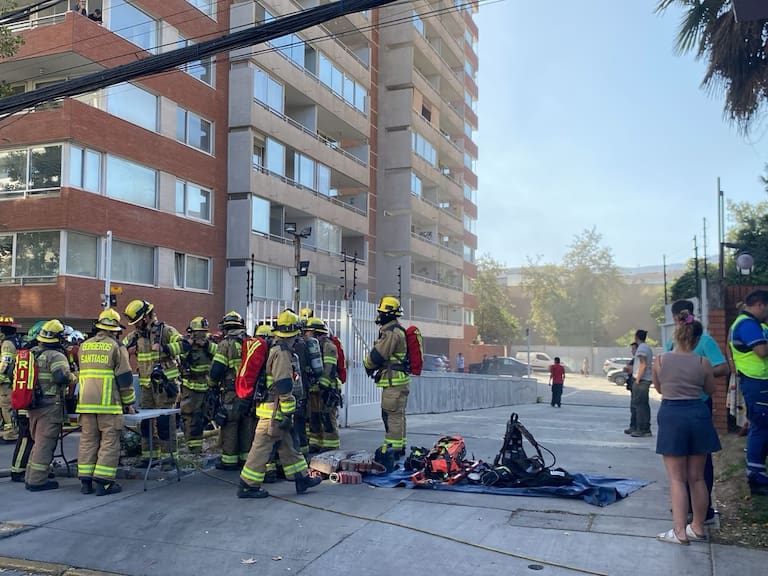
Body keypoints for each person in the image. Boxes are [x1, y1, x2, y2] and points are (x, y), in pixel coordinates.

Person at [238, 310, 321, 498]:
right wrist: (289, 409)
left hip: (274, 408)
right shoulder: (282, 352)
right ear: (294, 333)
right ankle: (247, 484)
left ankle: (301, 477)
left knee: (288, 443)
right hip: (273, 410)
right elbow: (283, 383)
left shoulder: (275, 347)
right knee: (262, 447)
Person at [653, 312, 720, 545]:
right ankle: (698, 527)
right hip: (698, 414)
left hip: (672, 415)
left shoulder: (660, 360)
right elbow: (710, 389)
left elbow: (659, 388)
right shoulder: (703, 362)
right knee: (697, 478)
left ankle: (679, 531)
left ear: (677, 334)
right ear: (696, 339)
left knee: (676, 479)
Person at [669, 299, 729, 522]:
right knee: (681, 461)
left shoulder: (705, 341)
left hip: (698, 404)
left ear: (676, 317)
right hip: (677, 406)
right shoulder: (671, 342)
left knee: (698, 463)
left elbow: (723, 367)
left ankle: (703, 511)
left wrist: (698, 374)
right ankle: (685, 508)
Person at [76, 309, 136, 496]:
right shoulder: (116, 347)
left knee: (87, 441)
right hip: (108, 405)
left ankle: (85, 482)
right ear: (115, 330)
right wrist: (129, 403)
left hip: (85, 405)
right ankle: (104, 483)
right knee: (109, 442)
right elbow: (125, 379)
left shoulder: (84, 346)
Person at [123, 299, 182, 467]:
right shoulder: (135, 336)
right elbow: (120, 350)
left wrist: (165, 349)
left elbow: (183, 344)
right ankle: (149, 456)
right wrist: (127, 351)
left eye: (138, 321)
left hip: (164, 385)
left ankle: (170, 458)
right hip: (146, 386)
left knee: (165, 422)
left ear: (147, 316)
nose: (136, 325)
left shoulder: (165, 331)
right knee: (146, 423)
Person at [25, 320, 77, 491]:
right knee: (45, 443)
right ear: (58, 338)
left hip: (33, 405)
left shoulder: (32, 353)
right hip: (49, 406)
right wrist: (74, 376)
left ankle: (30, 475)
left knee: (37, 442)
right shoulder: (56, 356)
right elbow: (61, 377)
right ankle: (37, 481)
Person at [728, 289, 768, 496]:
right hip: (756, 381)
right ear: (760, 305)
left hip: (759, 381)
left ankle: (758, 473)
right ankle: (756, 477)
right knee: (761, 427)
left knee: (762, 427)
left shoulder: (753, 324)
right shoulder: (747, 324)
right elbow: (761, 351)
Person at [364, 296, 411, 458]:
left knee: (392, 415)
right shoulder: (397, 330)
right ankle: (399, 445)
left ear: (389, 314)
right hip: (398, 380)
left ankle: (393, 449)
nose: (380, 316)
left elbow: (378, 355)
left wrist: (367, 364)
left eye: (382, 312)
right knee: (398, 414)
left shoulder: (391, 333)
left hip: (394, 381)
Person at [209, 311, 254, 470]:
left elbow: (217, 369)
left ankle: (229, 461)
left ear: (226, 328)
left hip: (232, 392)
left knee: (230, 424)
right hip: (249, 392)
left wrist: (211, 384)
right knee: (247, 424)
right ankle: (246, 459)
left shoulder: (226, 344)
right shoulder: (250, 342)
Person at [173, 317, 217, 455]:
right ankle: (193, 450)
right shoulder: (185, 344)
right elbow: (176, 350)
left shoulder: (209, 345)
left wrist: (205, 345)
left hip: (205, 387)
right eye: (199, 332)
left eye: (204, 332)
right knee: (191, 418)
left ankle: (197, 449)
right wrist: (188, 344)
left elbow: (218, 352)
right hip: (190, 388)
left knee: (201, 418)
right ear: (192, 333)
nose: (202, 335)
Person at [9, 321, 45, 482]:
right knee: (26, 438)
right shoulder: (37, 354)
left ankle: (26, 468)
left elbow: (11, 374)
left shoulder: (23, 354)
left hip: (22, 400)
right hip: (29, 403)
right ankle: (18, 470)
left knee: (29, 437)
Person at [305, 318, 340, 452]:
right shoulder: (312, 346)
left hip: (327, 388)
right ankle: (316, 442)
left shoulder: (328, 346)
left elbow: (330, 368)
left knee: (327, 416)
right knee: (314, 415)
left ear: (315, 332)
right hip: (314, 388)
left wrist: (323, 385)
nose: (306, 334)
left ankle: (331, 444)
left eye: (308, 332)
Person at [1, 316, 23, 442]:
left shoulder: (7, 344)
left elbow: (5, 363)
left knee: (6, 406)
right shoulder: (15, 340)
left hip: (6, 382)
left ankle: (11, 432)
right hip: (11, 380)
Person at [631, 330, 653, 438]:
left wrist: (637, 379)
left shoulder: (642, 348)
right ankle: (646, 428)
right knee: (644, 404)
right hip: (645, 379)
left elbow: (643, 364)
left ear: (636, 337)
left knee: (639, 405)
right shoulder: (646, 347)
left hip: (642, 380)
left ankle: (641, 429)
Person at [623, 342, 638, 434]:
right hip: (632, 384)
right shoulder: (635, 359)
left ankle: (634, 426)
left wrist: (628, 368)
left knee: (635, 407)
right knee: (634, 407)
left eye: (633, 349)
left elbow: (630, 369)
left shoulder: (637, 360)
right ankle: (634, 426)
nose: (632, 351)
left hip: (635, 384)